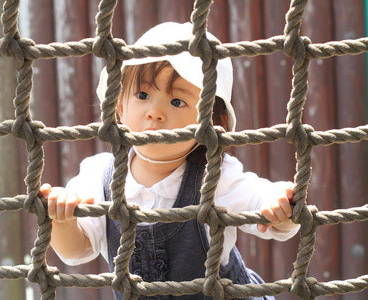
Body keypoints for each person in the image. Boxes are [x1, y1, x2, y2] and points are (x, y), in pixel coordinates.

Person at [40, 22, 300, 299]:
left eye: (177, 102)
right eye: (142, 95)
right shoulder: (98, 175)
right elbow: (75, 251)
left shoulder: (215, 178)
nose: (155, 112)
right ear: (119, 105)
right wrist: (62, 221)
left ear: (208, 123)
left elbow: (268, 212)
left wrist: (281, 207)